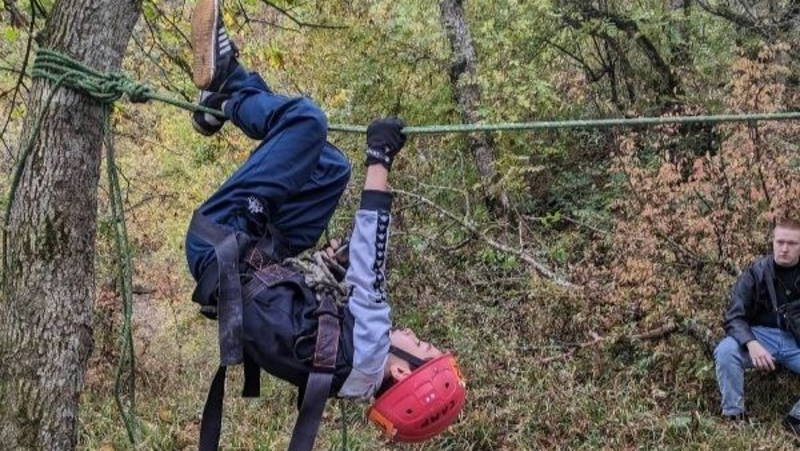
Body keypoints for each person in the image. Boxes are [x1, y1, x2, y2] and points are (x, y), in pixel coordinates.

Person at [183, 1, 466, 449]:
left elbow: (371, 252)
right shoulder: (349, 377)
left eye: (423, 348)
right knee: (330, 166)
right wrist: (329, 267)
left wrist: (380, 159)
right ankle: (219, 100)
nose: (416, 336)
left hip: (223, 239)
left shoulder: (372, 348)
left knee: (307, 122)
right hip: (239, 256)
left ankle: (228, 85)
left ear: (400, 369)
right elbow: (300, 311)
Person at [714, 218, 800, 433]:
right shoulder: (756, 272)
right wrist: (751, 343)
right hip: (761, 336)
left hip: (796, 341)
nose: (784, 248)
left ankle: (795, 421)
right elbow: (734, 316)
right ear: (772, 243)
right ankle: (734, 416)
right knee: (725, 351)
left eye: (792, 243)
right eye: (780, 242)